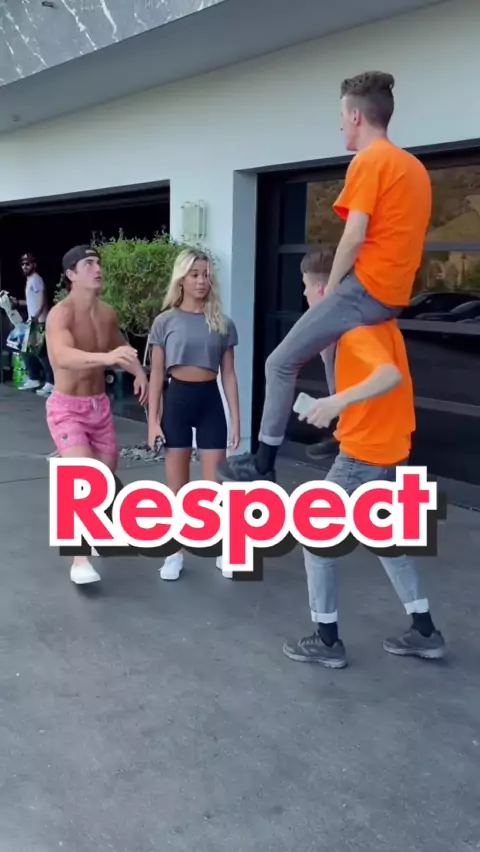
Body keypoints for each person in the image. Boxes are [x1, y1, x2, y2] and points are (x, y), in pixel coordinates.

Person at [216, 70, 432, 484]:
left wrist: (331, 290)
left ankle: (263, 463)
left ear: (355, 117)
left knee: (279, 363)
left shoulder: (369, 161)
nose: (340, 126)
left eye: (341, 117)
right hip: (392, 294)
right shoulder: (414, 168)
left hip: (363, 289)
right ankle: (340, 429)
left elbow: (354, 235)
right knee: (331, 347)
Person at [282, 269, 445, 669]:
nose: (304, 295)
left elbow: (388, 376)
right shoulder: (380, 325)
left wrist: (335, 404)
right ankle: (424, 631)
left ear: (323, 289)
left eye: (305, 287)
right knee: (385, 539)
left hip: (364, 456)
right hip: (390, 449)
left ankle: (327, 640)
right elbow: (375, 387)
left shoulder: (357, 332)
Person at [45, 245, 149, 585]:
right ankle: (80, 561)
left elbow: (121, 348)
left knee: (103, 480)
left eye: (98, 262)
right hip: (67, 407)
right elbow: (62, 356)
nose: (97, 268)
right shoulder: (61, 314)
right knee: (85, 478)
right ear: (71, 275)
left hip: (98, 407)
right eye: (88, 264)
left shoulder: (107, 314)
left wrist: (140, 373)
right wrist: (106, 360)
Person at [147, 248, 240, 581]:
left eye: (206, 275)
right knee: (178, 487)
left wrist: (236, 419)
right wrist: (152, 422)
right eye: (195, 274)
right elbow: (157, 376)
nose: (201, 281)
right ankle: (174, 552)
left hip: (210, 402)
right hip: (177, 403)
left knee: (215, 486)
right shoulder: (165, 321)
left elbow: (229, 374)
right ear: (182, 279)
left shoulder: (222, 323)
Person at [18, 252, 55, 396]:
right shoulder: (30, 280)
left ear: (34, 265)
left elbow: (42, 299)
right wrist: (18, 302)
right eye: (23, 264)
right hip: (34, 321)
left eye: (27, 264)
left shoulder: (36, 279)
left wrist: (36, 316)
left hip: (39, 322)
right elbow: (32, 301)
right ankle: (34, 378)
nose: (24, 266)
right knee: (27, 351)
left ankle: (50, 382)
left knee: (41, 353)